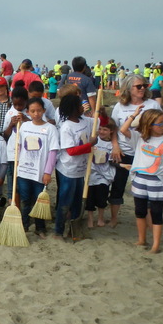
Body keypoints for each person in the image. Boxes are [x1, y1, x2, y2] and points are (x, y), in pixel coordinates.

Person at [109, 74, 160, 226]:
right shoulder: (120, 106)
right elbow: (114, 129)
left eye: (144, 85)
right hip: (124, 151)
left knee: (147, 187)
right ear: (128, 88)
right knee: (118, 184)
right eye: (139, 86)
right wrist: (115, 146)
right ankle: (113, 218)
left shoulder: (152, 105)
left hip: (146, 152)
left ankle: (150, 220)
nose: (143, 88)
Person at [119, 106, 163, 253]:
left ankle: (156, 244)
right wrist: (135, 114)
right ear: (149, 125)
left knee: (156, 213)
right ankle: (142, 239)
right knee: (140, 210)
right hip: (140, 178)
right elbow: (123, 130)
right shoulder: (140, 137)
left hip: (158, 180)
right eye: (160, 124)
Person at [54, 95, 97, 239]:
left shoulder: (84, 121)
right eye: (80, 105)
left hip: (81, 169)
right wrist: (89, 145)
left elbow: (99, 121)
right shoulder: (66, 127)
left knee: (78, 201)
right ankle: (58, 230)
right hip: (68, 170)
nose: (82, 107)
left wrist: (100, 112)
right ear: (73, 109)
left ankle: (74, 229)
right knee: (65, 201)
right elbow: (71, 151)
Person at [17, 97, 60, 237]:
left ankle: (40, 227)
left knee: (39, 200)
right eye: (33, 111)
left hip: (40, 172)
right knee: (25, 199)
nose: (36, 114)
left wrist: (48, 172)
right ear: (28, 112)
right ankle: (24, 225)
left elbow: (53, 152)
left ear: (44, 111)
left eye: (39, 110)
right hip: (24, 171)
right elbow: (19, 146)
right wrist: (17, 162)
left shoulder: (50, 129)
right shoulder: (24, 126)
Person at [85, 119, 117, 228]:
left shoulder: (112, 145)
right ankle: (90, 219)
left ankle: (100, 218)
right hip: (90, 174)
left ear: (111, 131)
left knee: (101, 198)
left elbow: (114, 161)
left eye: (105, 129)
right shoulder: (94, 140)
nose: (102, 131)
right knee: (89, 199)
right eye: (100, 129)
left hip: (104, 176)